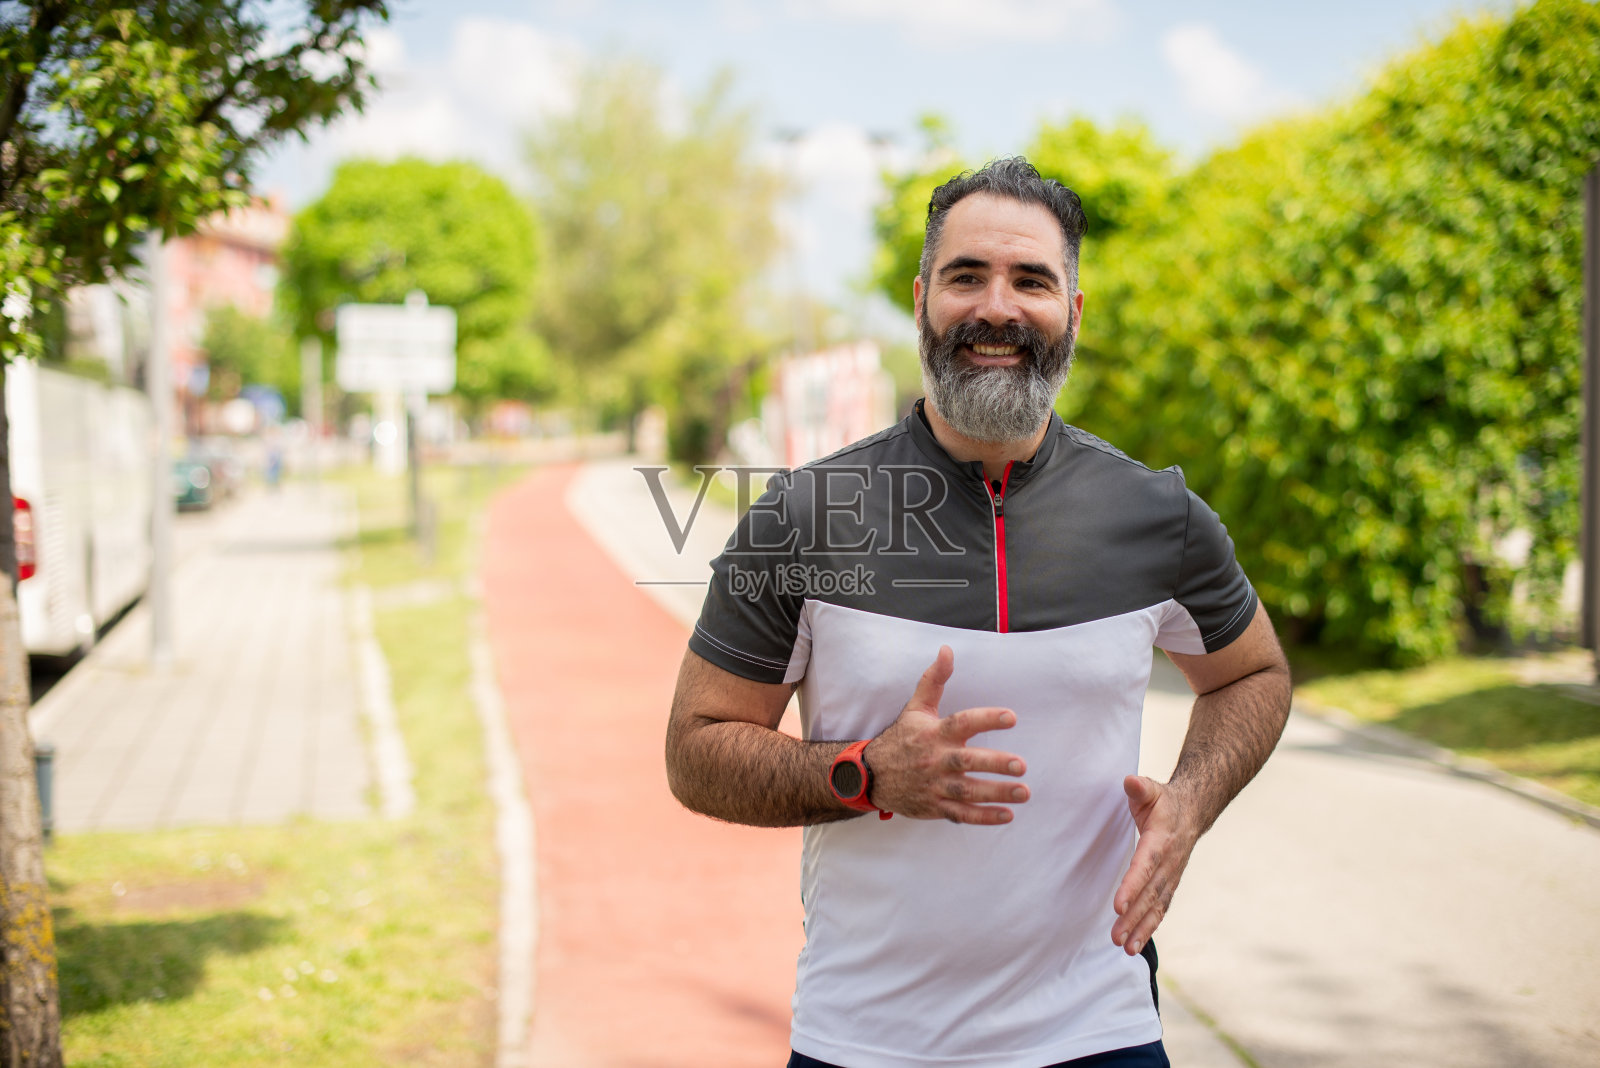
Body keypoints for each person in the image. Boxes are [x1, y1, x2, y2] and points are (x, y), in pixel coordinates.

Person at [665, 157, 1292, 1068]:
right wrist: (864, 773)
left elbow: (1255, 675)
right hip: (867, 1042)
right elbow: (695, 749)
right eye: (967, 277)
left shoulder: (1157, 515)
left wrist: (1190, 804)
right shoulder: (802, 515)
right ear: (923, 300)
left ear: (1071, 312)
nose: (997, 308)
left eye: (1031, 280)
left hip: (1099, 1029)